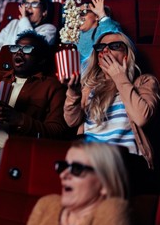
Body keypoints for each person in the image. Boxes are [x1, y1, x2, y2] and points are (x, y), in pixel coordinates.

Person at [0, 31, 70, 217]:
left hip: (11, 152)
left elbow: (58, 132)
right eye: (15, 48)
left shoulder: (52, 87)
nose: (19, 53)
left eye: (27, 49)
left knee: (3, 172)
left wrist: (20, 119)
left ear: (41, 60)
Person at [64, 31, 160, 170]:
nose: (106, 50)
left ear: (127, 55)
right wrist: (73, 94)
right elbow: (71, 122)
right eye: (101, 47)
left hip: (126, 160)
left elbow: (141, 118)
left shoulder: (144, 82)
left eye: (115, 46)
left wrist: (119, 77)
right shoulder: (89, 87)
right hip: (91, 157)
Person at [25, 141, 129, 225]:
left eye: (77, 169)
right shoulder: (46, 205)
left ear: (105, 184)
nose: (63, 174)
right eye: (63, 166)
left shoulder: (113, 211)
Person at [0, 0, 56, 79]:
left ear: (44, 11)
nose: (28, 7)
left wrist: (24, 20)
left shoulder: (49, 29)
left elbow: (30, 45)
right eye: (27, 3)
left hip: (24, 72)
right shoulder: (14, 23)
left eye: (34, 4)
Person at [77, 0, 120, 72]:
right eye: (76, 14)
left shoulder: (107, 27)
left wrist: (102, 15)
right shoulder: (74, 33)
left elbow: (115, 39)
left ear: (96, 16)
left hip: (97, 72)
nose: (78, 17)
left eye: (83, 13)